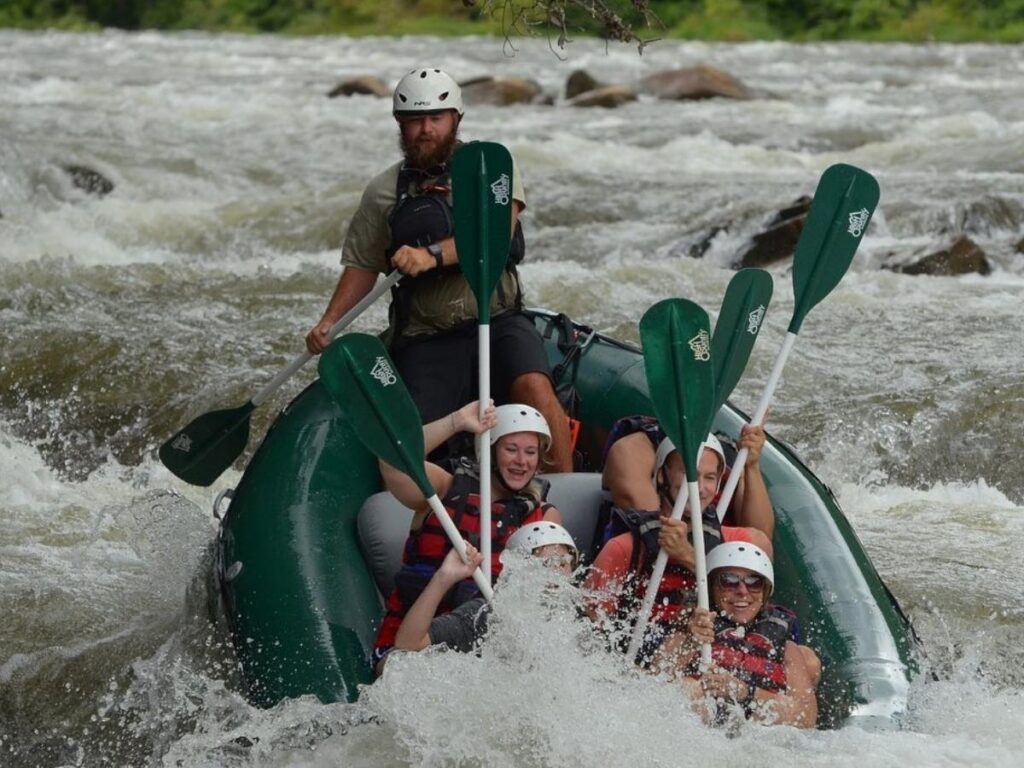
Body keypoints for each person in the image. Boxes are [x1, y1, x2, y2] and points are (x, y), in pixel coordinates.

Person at [305, 67, 571, 471]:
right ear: (400, 125)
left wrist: (432, 255)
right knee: (412, 440)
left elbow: (496, 231)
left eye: (436, 118)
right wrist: (330, 321)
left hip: (497, 319)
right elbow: (362, 264)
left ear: (455, 120)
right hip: (427, 336)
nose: (426, 129)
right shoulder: (382, 191)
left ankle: (561, 502)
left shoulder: (491, 167)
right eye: (415, 120)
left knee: (535, 387)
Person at [372, 402, 562, 673]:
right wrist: (456, 421)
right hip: (407, 644)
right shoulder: (442, 490)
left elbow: (544, 595)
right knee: (400, 667)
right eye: (511, 450)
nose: (522, 461)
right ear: (490, 451)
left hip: (480, 657)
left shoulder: (543, 517)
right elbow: (391, 458)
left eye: (530, 452)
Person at [651, 542, 820, 729]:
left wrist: (743, 691)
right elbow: (653, 688)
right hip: (701, 729)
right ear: (712, 589)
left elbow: (805, 718)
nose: (742, 591)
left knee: (809, 659)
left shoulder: (785, 647)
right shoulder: (690, 630)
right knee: (689, 687)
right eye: (729, 581)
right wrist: (691, 644)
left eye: (754, 583)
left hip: (758, 733)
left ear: (765, 592)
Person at [392, 522, 579, 655]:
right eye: (544, 564)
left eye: (562, 564)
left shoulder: (576, 619)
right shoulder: (486, 615)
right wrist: (443, 577)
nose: (554, 573)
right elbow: (409, 645)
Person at [601, 415, 774, 546]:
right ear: (661, 474)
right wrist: (689, 556)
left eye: (710, 477)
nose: (699, 488)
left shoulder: (722, 455)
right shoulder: (632, 449)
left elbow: (761, 547)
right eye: (688, 474)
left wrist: (751, 465)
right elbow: (658, 535)